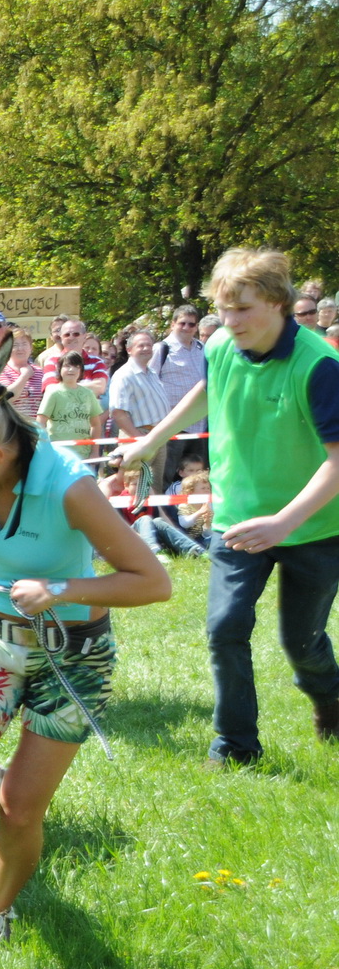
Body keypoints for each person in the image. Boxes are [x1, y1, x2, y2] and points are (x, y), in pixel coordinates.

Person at [0, 386, 169, 957]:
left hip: (72, 652)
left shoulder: (68, 487)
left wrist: (61, 589)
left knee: (22, 810)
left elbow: (154, 581)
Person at [114, 247, 339, 766]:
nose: (230, 320)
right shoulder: (219, 345)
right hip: (237, 518)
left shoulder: (320, 365)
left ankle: (328, 697)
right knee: (225, 628)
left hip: (313, 527)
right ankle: (235, 746)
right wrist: (153, 442)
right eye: (224, 308)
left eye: (243, 308)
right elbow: (205, 392)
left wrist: (284, 521)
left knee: (302, 645)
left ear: (279, 303)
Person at [108, 330, 173, 490]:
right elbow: (118, 412)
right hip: (137, 436)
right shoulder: (124, 375)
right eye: (141, 345)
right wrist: (140, 439)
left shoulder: (151, 372)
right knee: (133, 487)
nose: (146, 348)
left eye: (149, 345)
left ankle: (155, 516)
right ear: (129, 350)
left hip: (156, 436)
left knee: (155, 487)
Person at [149, 304, 208, 474]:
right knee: (168, 474)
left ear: (196, 327)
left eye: (191, 324)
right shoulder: (161, 349)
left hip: (199, 423)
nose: (186, 327)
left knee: (197, 476)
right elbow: (151, 382)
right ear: (173, 324)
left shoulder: (202, 349)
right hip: (173, 423)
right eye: (182, 323)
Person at [37, 352, 105, 457]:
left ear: (81, 371)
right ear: (59, 369)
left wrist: (94, 451)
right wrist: (44, 447)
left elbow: (96, 424)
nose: (71, 369)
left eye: (76, 366)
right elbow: (41, 422)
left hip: (84, 453)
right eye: (67, 366)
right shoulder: (53, 392)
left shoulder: (88, 394)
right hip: (59, 453)